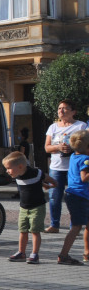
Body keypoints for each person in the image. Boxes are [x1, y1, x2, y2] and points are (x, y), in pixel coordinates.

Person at [3, 151, 54, 264]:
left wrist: (52, 184)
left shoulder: (35, 172)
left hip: (37, 207)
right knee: (23, 230)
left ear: (20, 166)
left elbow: (44, 177)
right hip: (23, 208)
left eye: (8, 168)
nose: (7, 171)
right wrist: (43, 184)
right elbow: (33, 182)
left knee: (35, 231)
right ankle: (21, 252)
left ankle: (34, 254)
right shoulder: (17, 174)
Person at [44, 99, 87, 234]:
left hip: (74, 167)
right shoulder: (53, 127)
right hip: (56, 167)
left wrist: (73, 148)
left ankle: (74, 225)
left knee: (74, 196)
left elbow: (85, 145)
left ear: (73, 112)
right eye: (59, 108)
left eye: (65, 108)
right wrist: (58, 147)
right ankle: (54, 224)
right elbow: (47, 148)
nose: (61, 111)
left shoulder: (81, 126)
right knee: (54, 196)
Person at [56, 130, 89, 265]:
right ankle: (63, 255)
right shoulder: (86, 160)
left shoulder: (75, 156)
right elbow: (84, 177)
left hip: (76, 195)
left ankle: (87, 253)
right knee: (76, 227)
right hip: (79, 196)